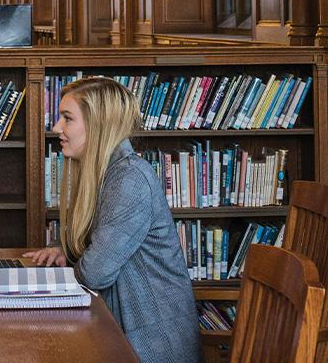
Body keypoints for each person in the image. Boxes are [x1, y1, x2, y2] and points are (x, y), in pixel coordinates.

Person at [23, 77, 199, 363]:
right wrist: (65, 250)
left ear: (98, 125)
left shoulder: (131, 179)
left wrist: (80, 259)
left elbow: (95, 273)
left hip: (148, 346)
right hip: (118, 331)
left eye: (67, 119)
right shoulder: (106, 173)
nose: (56, 128)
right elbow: (97, 244)